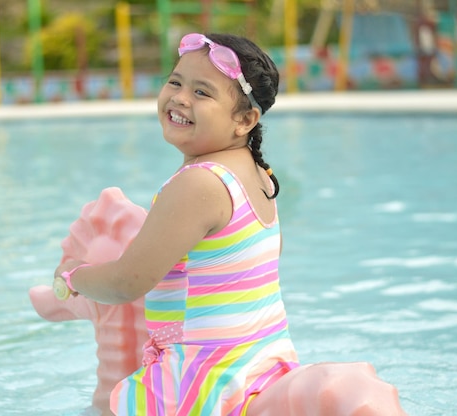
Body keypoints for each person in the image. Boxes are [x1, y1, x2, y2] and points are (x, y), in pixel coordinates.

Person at [54, 33, 405, 416]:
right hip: (262, 363)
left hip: (207, 382)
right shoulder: (258, 176)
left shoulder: (198, 183)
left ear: (245, 120)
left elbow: (127, 283)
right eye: (175, 82)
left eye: (202, 93)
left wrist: (74, 278)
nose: (180, 98)